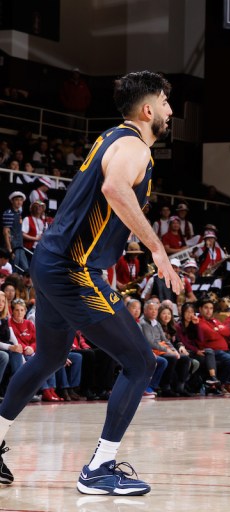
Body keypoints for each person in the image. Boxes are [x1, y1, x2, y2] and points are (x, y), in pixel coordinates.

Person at [0, 71, 178, 495]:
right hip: (71, 269)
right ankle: (99, 468)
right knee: (141, 362)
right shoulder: (133, 146)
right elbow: (115, 187)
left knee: (47, 358)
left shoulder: (111, 136)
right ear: (148, 109)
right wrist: (156, 248)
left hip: (51, 261)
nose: (171, 111)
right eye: (167, 103)